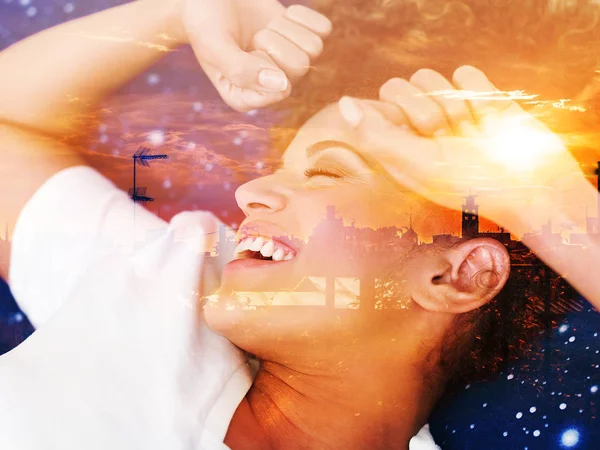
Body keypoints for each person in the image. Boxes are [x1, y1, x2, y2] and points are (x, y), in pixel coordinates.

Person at [0, 1, 597, 450]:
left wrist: (547, 204)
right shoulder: (172, 282)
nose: (251, 192)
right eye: (278, 171)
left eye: (327, 174)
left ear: (455, 277)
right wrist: (181, 12)